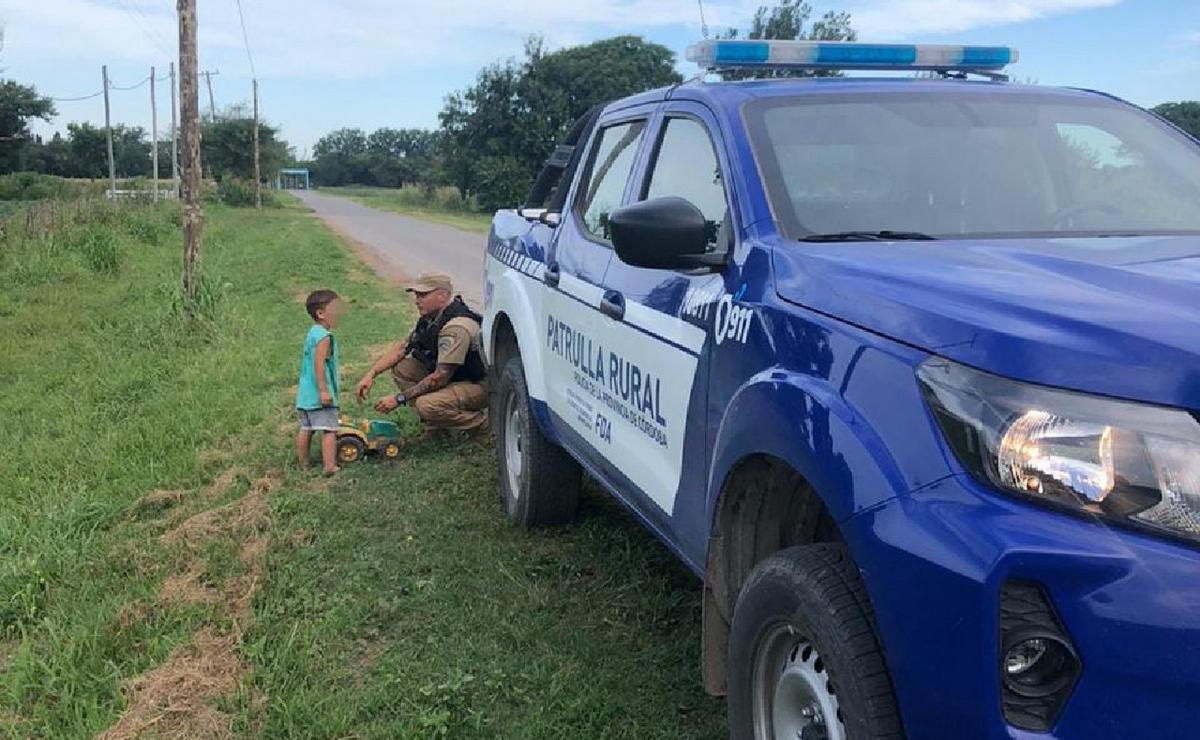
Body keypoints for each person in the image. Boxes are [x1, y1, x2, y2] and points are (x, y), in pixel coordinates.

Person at [355, 273, 488, 434]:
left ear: (442, 295)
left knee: (426, 405)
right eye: (416, 295)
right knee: (402, 368)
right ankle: (437, 424)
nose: (417, 300)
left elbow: (440, 377)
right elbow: (402, 348)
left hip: (479, 384)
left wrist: (399, 399)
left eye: (423, 295)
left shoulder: (456, 327)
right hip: (456, 377)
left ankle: (484, 426)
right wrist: (371, 374)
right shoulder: (431, 318)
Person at [296, 289, 343, 475]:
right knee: (329, 429)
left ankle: (303, 464)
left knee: (306, 428)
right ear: (321, 313)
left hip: (305, 394)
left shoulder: (312, 332)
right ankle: (330, 466)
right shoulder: (324, 337)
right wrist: (324, 391)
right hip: (319, 394)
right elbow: (319, 364)